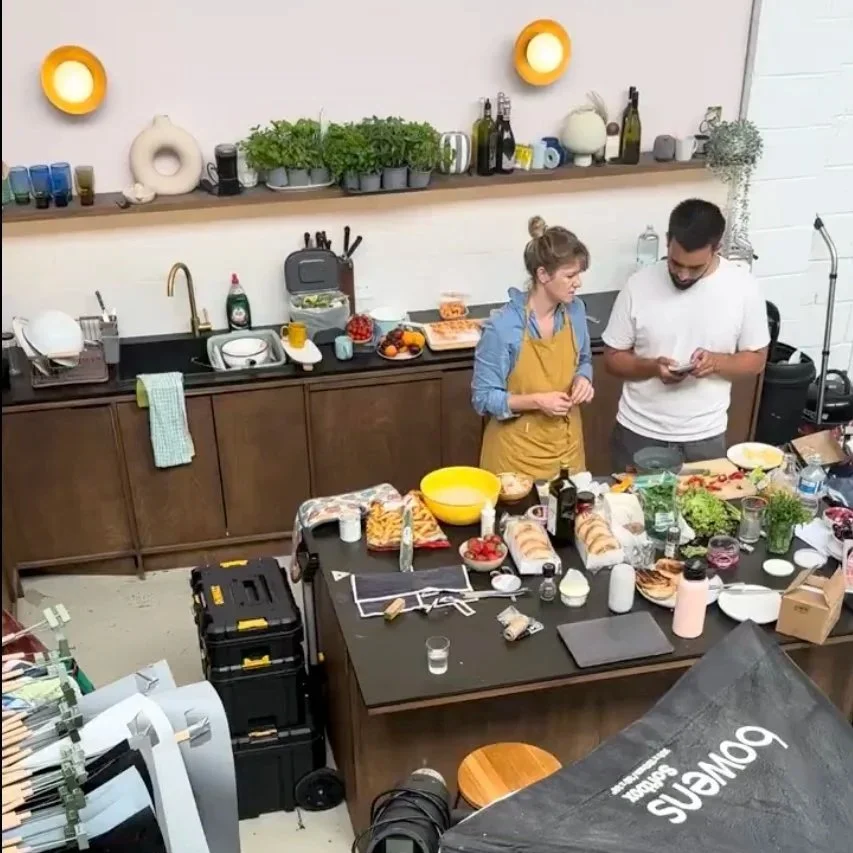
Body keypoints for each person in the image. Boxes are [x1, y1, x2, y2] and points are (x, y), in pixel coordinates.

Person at [602, 198, 769, 471]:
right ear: (668, 241)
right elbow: (612, 358)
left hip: (704, 439)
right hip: (638, 433)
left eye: (694, 268)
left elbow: (756, 361)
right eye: (676, 263)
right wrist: (653, 367)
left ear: (717, 249)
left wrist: (717, 362)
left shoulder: (744, 289)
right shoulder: (638, 285)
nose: (682, 274)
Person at [472, 216, 595, 479]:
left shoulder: (575, 312)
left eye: (579, 274)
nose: (578, 283)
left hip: (568, 455)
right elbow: (483, 399)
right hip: (515, 463)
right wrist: (538, 401)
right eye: (570, 275)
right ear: (542, 275)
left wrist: (584, 378)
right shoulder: (502, 328)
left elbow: (584, 359)